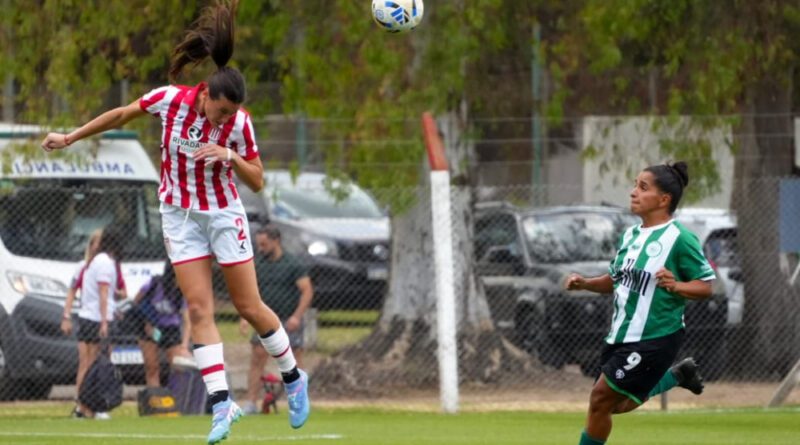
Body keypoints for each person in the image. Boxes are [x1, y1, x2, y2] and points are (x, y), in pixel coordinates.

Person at [41, 1, 309, 441]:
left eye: (229, 116)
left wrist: (231, 155)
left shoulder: (239, 124)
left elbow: (258, 181)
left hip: (223, 215)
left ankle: (293, 378)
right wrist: (71, 137)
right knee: (200, 309)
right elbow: (122, 114)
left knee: (248, 306)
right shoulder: (170, 101)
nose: (223, 120)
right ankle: (222, 406)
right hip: (179, 217)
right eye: (219, 111)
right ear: (204, 93)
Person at [565, 161, 714, 445]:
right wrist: (585, 283)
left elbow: (705, 286)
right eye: (635, 185)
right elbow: (615, 279)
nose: (633, 192)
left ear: (663, 199)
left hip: (656, 335)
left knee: (599, 399)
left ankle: (676, 375)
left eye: (642, 187)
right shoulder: (630, 236)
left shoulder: (679, 238)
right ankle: (677, 376)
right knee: (615, 406)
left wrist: (677, 285)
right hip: (621, 335)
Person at [239, 225, 313, 415]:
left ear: (276, 241)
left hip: (288, 320)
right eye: (259, 245)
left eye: (264, 244)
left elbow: (307, 291)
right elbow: (248, 293)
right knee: (257, 356)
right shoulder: (258, 264)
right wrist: (245, 318)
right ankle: (250, 403)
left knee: (295, 359)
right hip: (263, 321)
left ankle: (298, 402)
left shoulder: (293, 264)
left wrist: (297, 316)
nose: (261, 249)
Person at [61, 227, 127, 419]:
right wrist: (105, 320)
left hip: (92, 317)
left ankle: (87, 406)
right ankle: (87, 406)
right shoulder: (96, 264)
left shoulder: (99, 264)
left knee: (93, 363)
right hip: (95, 318)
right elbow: (99, 293)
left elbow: (117, 291)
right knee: (92, 364)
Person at [133, 262, 193, 388]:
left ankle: (177, 398)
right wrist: (146, 322)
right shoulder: (154, 284)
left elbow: (187, 321)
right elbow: (136, 303)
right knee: (152, 367)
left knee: (178, 367)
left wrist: (184, 345)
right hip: (148, 326)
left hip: (170, 328)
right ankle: (154, 399)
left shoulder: (183, 291)